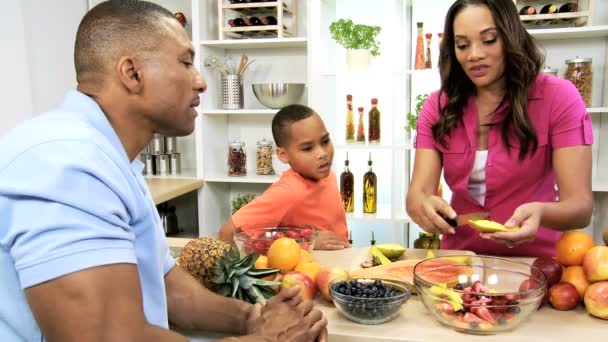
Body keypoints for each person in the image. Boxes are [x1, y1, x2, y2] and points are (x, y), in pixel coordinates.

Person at [0, 1, 327, 341]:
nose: (200, 82)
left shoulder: (111, 160)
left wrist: (253, 318)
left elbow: (170, 289)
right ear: (132, 73)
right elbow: (104, 337)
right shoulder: (66, 164)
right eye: (186, 62)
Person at [406, 0, 593, 257]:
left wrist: (540, 212)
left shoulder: (559, 97)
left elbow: (581, 208)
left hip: (535, 263)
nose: (474, 55)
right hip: (459, 261)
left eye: (489, 40)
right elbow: (417, 194)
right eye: (462, 45)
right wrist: (421, 207)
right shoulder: (437, 106)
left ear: (510, 37)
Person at [218, 104, 351, 250]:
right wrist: (307, 243)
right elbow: (227, 233)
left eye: (325, 141)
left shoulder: (326, 174)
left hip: (341, 263)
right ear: (283, 155)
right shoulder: (288, 192)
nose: (322, 153)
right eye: (307, 148)